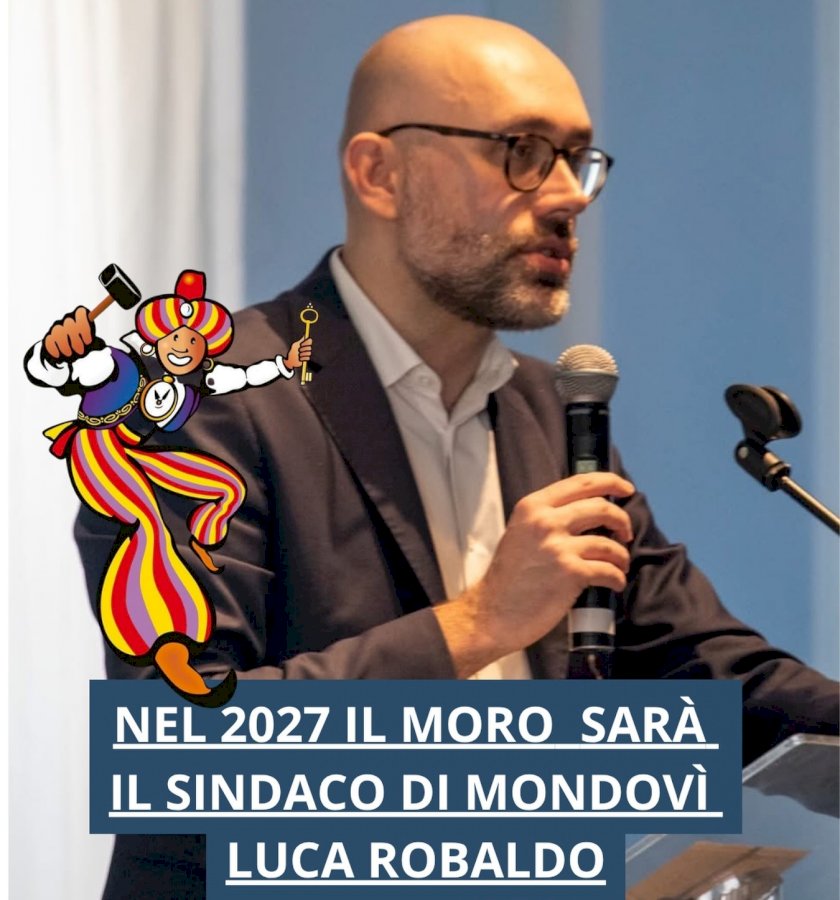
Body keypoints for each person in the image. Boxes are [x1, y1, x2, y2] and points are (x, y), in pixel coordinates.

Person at [74, 15, 838, 898]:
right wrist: (476, 624)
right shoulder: (189, 406)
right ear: (380, 174)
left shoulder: (554, 411)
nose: (569, 196)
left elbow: (713, 672)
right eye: (522, 151)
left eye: (577, 159)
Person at [27, 270, 312, 706]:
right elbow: (66, 368)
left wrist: (282, 365)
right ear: (157, 338)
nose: (183, 345)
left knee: (224, 485)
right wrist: (56, 354)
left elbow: (241, 378)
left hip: (134, 452)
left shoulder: (199, 381)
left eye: (193, 341)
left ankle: (205, 542)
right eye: (175, 337)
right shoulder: (122, 367)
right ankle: (166, 643)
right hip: (99, 450)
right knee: (148, 524)